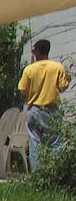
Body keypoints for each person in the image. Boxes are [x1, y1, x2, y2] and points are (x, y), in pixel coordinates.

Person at [17, 39, 71, 170]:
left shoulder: (29, 69)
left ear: (37, 51)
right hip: (52, 110)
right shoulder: (57, 67)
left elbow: (22, 90)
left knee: (34, 144)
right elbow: (62, 88)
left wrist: (31, 94)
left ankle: (37, 174)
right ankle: (55, 173)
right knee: (55, 143)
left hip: (34, 109)